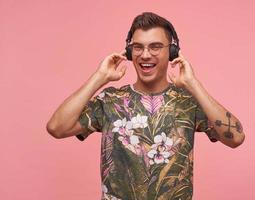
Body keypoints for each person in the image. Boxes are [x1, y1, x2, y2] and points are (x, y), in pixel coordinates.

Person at [47, 12, 245, 200]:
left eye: (156, 46)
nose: (145, 54)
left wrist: (193, 84)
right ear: (129, 51)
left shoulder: (189, 102)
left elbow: (236, 138)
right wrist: (99, 78)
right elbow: (57, 128)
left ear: (172, 52)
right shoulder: (110, 100)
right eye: (138, 47)